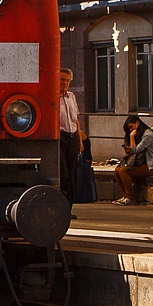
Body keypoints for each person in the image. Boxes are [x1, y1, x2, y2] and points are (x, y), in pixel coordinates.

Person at [113, 114, 153, 204]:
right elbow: (133, 151)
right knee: (117, 170)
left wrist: (131, 136)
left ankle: (130, 197)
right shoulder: (139, 134)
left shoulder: (148, 135)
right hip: (141, 163)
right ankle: (125, 196)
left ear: (137, 123)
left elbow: (136, 150)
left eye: (131, 127)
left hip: (151, 166)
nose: (131, 130)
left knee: (123, 171)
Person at [58, 68, 84, 204]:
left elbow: (76, 120)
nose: (65, 83)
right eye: (62, 79)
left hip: (73, 136)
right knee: (63, 173)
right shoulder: (53, 97)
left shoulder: (71, 96)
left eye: (67, 80)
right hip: (60, 137)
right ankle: (61, 204)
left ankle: (69, 207)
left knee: (72, 173)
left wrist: (80, 140)